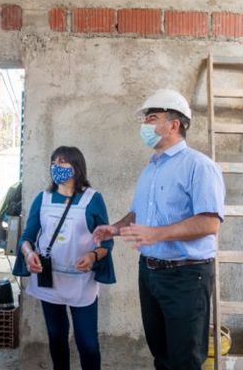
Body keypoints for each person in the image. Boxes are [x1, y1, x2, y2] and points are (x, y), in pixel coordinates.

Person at [93, 89, 225, 370]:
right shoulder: (151, 168)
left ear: (174, 124)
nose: (145, 125)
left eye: (151, 118)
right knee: (162, 354)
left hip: (186, 275)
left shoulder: (199, 166)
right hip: (150, 273)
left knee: (184, 359)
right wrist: (114, 229)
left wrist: (156, 234)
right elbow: (139, 213)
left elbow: (209, 222)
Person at [13, 146, 115, 370]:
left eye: (63, 163)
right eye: (54, 163)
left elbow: (106, 242)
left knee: (87, 342)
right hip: (49, 279)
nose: (57, 168)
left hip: (81, 282)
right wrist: (29, 253)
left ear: (76, 168)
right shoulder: (44, 198)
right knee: (56, 336)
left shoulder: (92, 199)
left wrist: (92, 255)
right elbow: (26, 237)